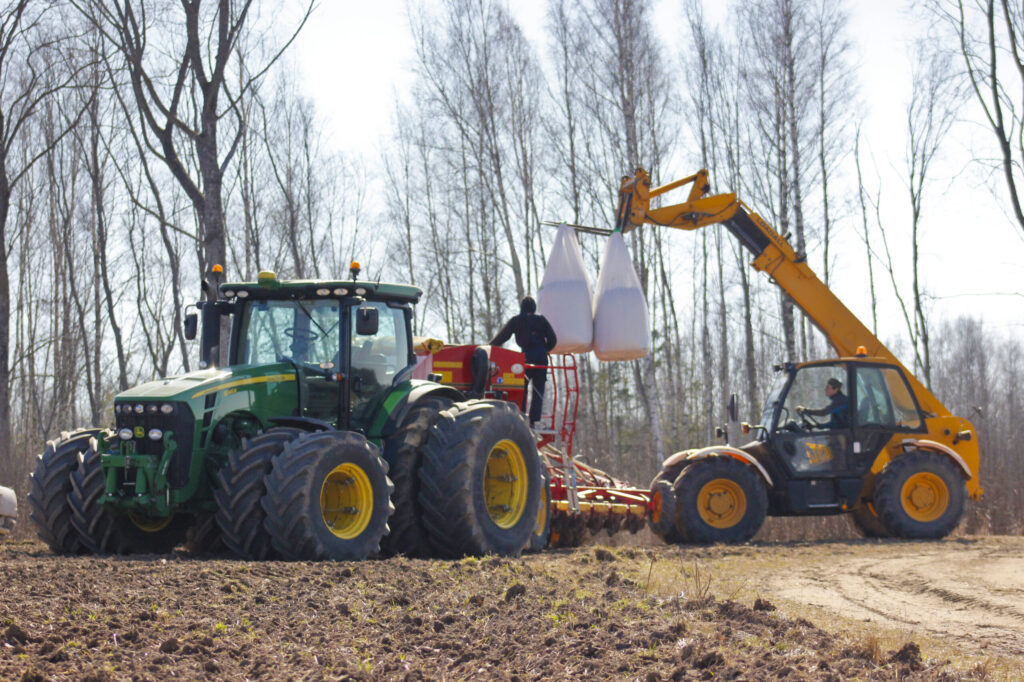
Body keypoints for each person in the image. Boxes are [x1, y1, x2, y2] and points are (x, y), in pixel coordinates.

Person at [491, 296, 557, 427]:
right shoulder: (542, 320)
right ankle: (533, 421)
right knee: (539, 389)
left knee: (522, 387)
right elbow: (553, 339)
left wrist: (489, 347)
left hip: (526, 357)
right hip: (541, 358)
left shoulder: (517, 321)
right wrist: (545, 349)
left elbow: (502, 337)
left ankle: (521, 416)